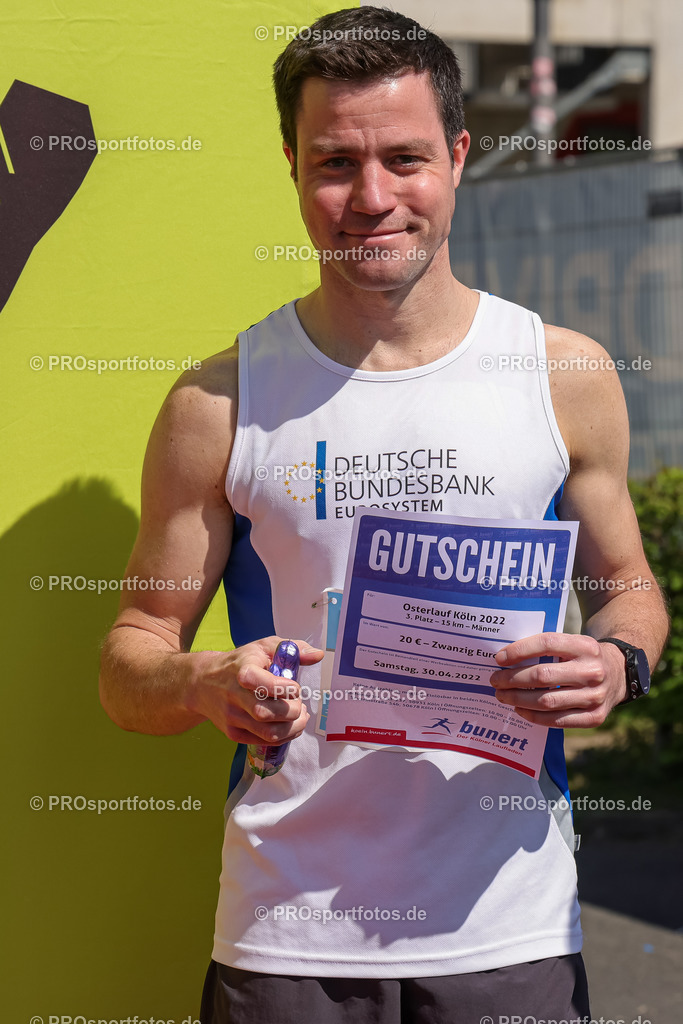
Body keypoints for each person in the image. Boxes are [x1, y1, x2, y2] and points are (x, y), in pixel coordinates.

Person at [99, 6, 669, 1023]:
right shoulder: (215, 401)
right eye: (333, 163)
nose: (369, 198)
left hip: (509, 928)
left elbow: (625, 591)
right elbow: (129, 658)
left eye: (403, 158)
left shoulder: (562, 373)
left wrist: (616, 660)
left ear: (456, 155)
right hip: (286, 939)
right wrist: (199, 679)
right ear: (290, 165)